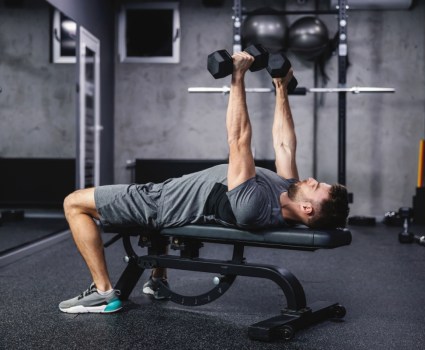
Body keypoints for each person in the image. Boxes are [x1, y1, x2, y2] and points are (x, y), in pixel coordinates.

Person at [58, 51, 349, 314]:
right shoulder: (288, 189)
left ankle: (102, 292)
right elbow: (284, 144)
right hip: (170, 194)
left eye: (315, 185)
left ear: (307, 209)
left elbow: (238, 140)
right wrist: (281, 89)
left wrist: (237, 77)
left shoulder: (255, 206)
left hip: (158, 204)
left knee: (73, 202)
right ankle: (157, 280)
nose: (310, 179)